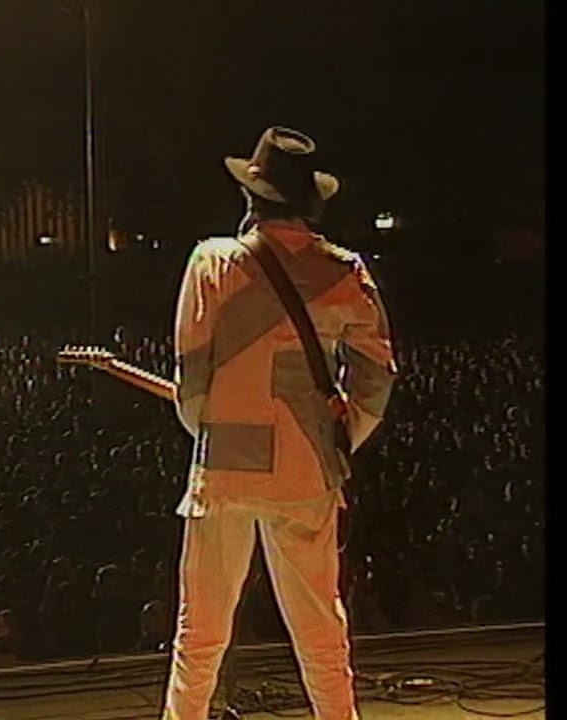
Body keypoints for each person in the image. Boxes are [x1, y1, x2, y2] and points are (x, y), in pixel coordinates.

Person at [161, 126, 397, 720]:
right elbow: (376, 378)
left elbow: (192, 374)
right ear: (309, 202)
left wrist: (209, 428)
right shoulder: (345, 272)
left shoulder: (210, 261)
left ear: (251, 197)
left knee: (201, 632)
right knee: (320, 628)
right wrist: (340, 438)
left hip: (226, 467)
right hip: (306, 467)